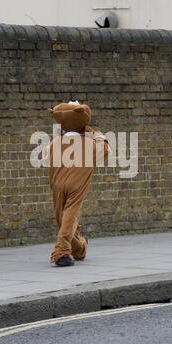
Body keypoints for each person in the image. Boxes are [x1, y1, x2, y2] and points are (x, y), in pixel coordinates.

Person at [44, 99, 111, 266]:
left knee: (62, 218)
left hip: (57, 184)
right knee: (69, 216)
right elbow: (105, 151)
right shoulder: (90, 144)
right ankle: (70, 250)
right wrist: (98, 136)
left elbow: (45, 158)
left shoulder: (54, 143)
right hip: (77, 185)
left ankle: (70, 250)